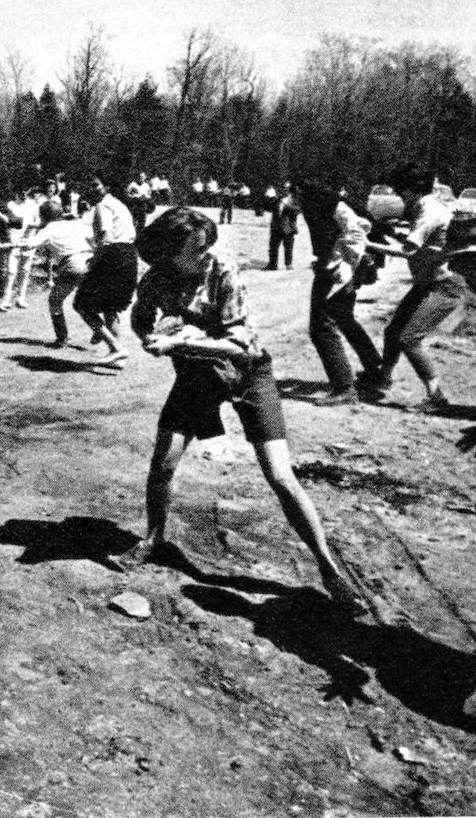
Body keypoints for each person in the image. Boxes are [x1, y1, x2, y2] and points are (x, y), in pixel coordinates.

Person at [123, 209, 363, 610]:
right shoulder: (156, 278)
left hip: (249, 374)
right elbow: (140, 317)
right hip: (197, 377)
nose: (204, 254)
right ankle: (154, 538)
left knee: (280, 475)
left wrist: (181, 342)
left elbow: (239, 345)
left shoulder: (222, 271)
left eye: (206, 246)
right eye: (194, 249)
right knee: (163, 463)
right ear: (167, 251)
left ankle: (328, 568)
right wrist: (149, 336)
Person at [362, 166, 468, 411]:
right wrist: (391, 233)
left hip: (444, 286)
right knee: (393, 332)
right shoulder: (427, 206)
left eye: (401, 191)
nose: (400, 197)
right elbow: (421, 244)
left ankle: (437, 398)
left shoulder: (429, 211)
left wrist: (368, 244)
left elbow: (408, 251)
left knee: (409, 338)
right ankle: (383, 380)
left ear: (411, 190)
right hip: (428, 284)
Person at [299, 181, 382, 405]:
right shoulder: (326, 204)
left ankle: (344, 387)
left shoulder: (335, 207)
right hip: (338, 267)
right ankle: (376, 370)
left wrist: (344, 264)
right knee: (343, 317)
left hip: (340, 271)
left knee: (321, 327)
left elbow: (357, 232)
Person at [73, 175, 137, 366]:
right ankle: (117, 357)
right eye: (89, 185)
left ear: (106, 186)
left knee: (81, 304)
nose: (92, 189)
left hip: (113, 256)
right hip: (129, 255)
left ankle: (116, 347)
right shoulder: (118, 204)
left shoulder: (103, 206)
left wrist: (94, 260)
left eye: (96, 185)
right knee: (111, 306)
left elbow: (107, 239)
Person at [27, 201, 93, 347]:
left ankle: (62, 338)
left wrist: (18, 243)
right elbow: (94, 234)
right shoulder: (73, 224)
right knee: (86, 301)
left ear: (44, 216)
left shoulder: (48, 229)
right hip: (90, 262)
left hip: (72, 265)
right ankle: (100, 329)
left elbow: (31, 244)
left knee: (55, 301)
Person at [267, 184, 300, 271]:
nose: (283, 190)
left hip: (288, 227)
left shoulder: (294, 200)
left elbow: (297, 210)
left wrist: (286, 207)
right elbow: (270, 208)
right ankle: (273, 264)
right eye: (282, 188)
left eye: (285, 189)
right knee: (273, 246)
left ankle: (288, 264)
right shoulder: (276, 199)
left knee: (288, 247)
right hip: (276, 226)